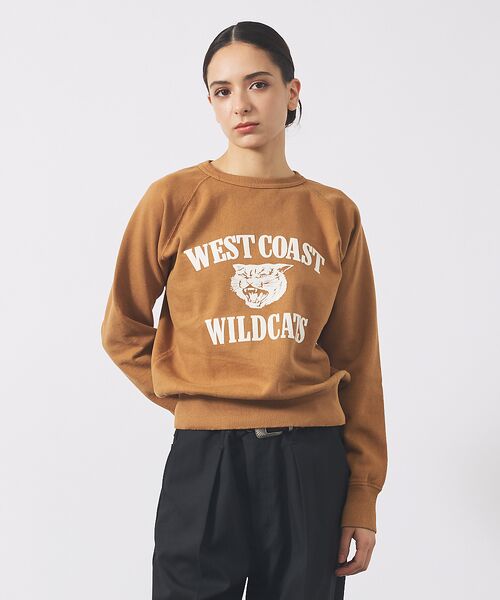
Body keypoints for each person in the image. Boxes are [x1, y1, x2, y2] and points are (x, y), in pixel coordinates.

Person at [101, 20, 388, 600]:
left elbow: (359, 358)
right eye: (222, 90)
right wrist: (196, 396)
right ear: (210, 102)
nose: (241, 104)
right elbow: (122, 328)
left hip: (311, 460)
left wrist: (362, 494)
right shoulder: (173, 200)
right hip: (205, 457)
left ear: (292, 91)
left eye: (258, 84)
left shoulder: (333, 212)